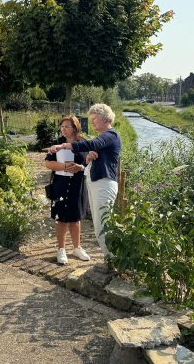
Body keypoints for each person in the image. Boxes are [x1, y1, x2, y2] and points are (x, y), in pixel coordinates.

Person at [48, 104, 121, 257]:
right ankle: (110, 260)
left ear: (105, 118)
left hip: (103, 184)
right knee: (99, 227)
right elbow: (92, 162)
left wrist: (65, 146)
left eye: (94, 119)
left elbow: (92, 144)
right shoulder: (103, 138)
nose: (92, 122)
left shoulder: (110, 135)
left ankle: (113, 261)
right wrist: (88, 160)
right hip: (96, 184)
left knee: (103, 227)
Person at [45, 116, 91, 265]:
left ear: (75, 128)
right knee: (61, 218)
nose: (63, 129)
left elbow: (87, 162)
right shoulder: (57, 144)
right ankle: (61, 249)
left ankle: (77, 248)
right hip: (60, 183)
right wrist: (65, 166)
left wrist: (83, 165)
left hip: (77, 184)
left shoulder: (83, 143)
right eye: (62, 126)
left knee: (75, 217)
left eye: (67, 126)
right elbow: (48, 163)